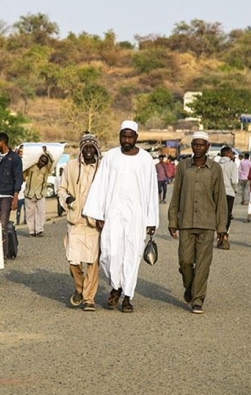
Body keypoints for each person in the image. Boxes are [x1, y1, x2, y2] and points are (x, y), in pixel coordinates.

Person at [83, 120, 158, 313]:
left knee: (132, 254)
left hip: (137, 216)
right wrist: (98, 213)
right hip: (113, 213)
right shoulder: (111, 156)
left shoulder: (146, 159)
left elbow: (151, 189)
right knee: (110, 252)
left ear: (136, 137)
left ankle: (127, 296)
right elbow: (100, 184)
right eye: (123, 136)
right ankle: (116, 286)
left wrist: (151, 219)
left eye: (130, 137)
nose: (126, 140)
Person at [168, 132, 227, 314]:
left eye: (202, 145)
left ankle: (198, 299)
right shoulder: (183, 167)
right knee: (185, 261)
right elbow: (176, 194)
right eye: (195, 144)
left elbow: (220, 199)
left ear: (208, 147)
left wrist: (222, 228)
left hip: (207, 223)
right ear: (192, 145)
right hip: (186, 221)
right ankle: (190, 286)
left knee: (203, 264)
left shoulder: (215, 168)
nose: (198, 148)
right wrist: (172, 220)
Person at [58, 133, 101, 312]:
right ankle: (79, 288)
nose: (89, 150)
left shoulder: (102, 168)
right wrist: (68, 199)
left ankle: (89, 298)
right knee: (73, 260)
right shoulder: (71, 166)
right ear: (81, 149)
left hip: (94, 222)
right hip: (75, 219)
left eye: (92, 147)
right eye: (86, 147)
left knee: (93, 262)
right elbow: (61, 188)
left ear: (96, 149)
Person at [0, 133, 23, 238]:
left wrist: (15, 197)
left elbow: (18, 178)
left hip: (6, 196)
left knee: (3, 225)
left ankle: (4, 248)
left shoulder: (14, 158)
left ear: (2, 142)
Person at [23, 153, 52, 237]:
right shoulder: (31, 167)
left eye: (45, 162)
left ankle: (39, 230)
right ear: (39, 159)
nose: (43, 163)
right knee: (30, 214)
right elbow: (23, 172)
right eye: (42, 161)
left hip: (40, 194)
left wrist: (47, 152)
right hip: (29, 193)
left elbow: (52, 161)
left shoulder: (46, 169)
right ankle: (31, 231)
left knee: (41, 213)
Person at [217, 146, 239, 249]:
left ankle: (219, 236)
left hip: (218, 193)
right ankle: (225, 236)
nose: (232, 155)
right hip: (229, 193)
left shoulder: (216, 165)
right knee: (227, 215)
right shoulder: (232, 165)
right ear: (228, 154)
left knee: (218, 215)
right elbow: (234, 181)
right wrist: (235, 189)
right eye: (231, 153)